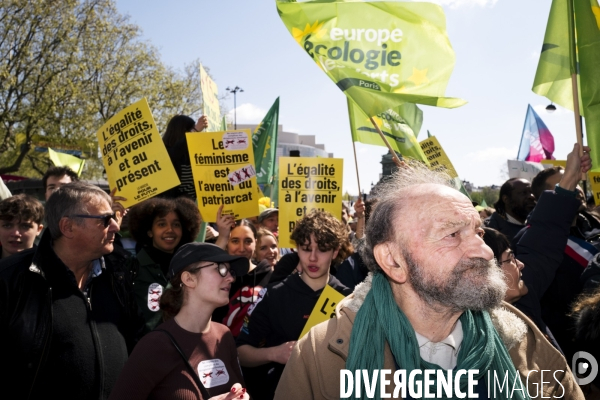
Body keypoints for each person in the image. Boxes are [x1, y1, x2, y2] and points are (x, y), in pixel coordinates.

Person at [275, 160, 584, 400]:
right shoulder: (321, 356)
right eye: (452, 234)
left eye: (478, 232)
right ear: (394, 261)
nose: (485, 249)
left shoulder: (522, 339)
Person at [0, 182, 142, 399]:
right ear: (68, 227)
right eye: (105, 219)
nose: (115, 226)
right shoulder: (11, 279)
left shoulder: (117, 276)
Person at [109, 242, 250, 400]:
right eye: (221, 269)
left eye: (230, 271)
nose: (230, 278)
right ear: (189, 279)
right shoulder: (154, 345)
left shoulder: (224, 336)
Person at [237, 210, 352, 400]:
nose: (313, 258)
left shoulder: (349, 299)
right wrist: (274, 353)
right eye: (306, 248)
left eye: (322, 249)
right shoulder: (273, 294)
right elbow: (241, 353)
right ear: (296, 249)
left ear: (335, 251)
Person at [127, 197, 201, 332]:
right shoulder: (131, 268)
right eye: (162, 224)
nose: (170, 230)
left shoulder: (189, 268)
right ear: (149, 231)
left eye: (176, 225)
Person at [214, 210, 273, 336]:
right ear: (227, 243)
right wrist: (222, 237)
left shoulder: (270, 276)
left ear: (256, 243)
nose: (241, 248)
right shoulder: (216, 275)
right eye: (235, 241)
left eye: (248, 241)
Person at [162, 114, 208, 200]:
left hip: (191, 207)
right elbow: (173, 155)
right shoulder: (163, 152)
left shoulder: (192, 154)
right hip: (172, 208)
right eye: (190, 131)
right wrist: (195, 130)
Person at [485, 177, 536, 242]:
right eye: (523, 193)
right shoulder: (490, 229)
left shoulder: (538, 224)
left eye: (532, 192)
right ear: (506, 199)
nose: (532, 196)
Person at [0, 194, 44, 259]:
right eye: (7, 226)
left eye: (25, 226)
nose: (15, 234)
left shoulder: (50, 266)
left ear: (39, 229)